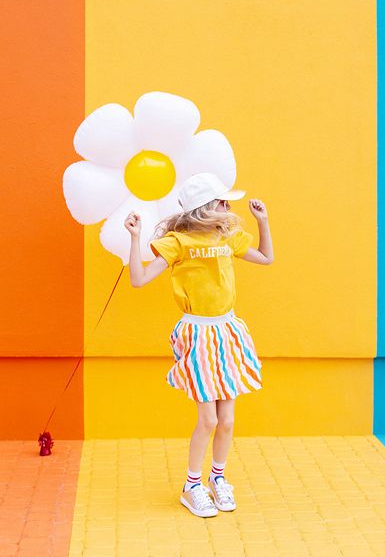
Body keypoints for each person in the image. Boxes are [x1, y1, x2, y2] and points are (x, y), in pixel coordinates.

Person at [124, 172, 274, 518]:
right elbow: (139, 279)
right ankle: (192, 486)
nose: (227, 205)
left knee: (227, 420)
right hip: (198, 333)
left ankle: (218, 479)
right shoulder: (178, 242)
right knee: (207, 419)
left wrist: (262, 221)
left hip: (227, 332)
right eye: (222, 200)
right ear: (206, 207)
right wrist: (134, 239)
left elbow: (266, 258)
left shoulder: (228, 237)